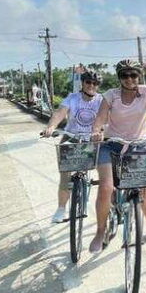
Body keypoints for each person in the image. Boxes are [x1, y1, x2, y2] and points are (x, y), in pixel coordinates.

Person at [90, 59, 146, 253]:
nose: (129, 79)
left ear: (139, 76)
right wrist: (96, 130)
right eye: (124, 75)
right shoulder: (111, 95)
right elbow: (101, 117)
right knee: (105, 187)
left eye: (133, 75)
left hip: (137, 145)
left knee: (143, 189)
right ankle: (100, 231)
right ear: (119, 78)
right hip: (112, 144)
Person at [42, 70, 103, 223]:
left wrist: (101, 131)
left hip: (92, 139)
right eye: (88, 82)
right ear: (82, 83)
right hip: (72, 136)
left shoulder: (101, 101)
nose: (91, 86)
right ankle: (61, 208)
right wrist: (51, 127)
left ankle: (113, 205)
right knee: (65, 174)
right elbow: (60, 113)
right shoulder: (72, 98)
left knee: (106, 171)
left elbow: (105, 119)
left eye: (95, 83)